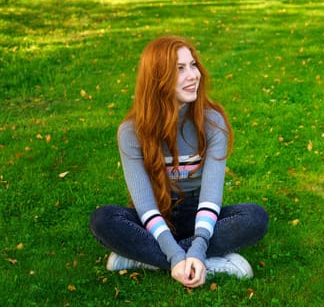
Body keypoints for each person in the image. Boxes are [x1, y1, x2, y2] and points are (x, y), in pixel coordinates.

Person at [90, 35, 268, 288]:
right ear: (157, 78)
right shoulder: (131, 132)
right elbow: (145, 206)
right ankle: (205, 264)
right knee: (103, 219)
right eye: (180, 69)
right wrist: (174, 255)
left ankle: (145, 258)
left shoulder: (213, 122)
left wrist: (198, 246)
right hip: (157, 217)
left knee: (255, 217)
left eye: (193, 65)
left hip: (198, 214)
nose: (193, 75)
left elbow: (210, 198)